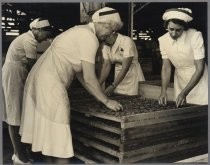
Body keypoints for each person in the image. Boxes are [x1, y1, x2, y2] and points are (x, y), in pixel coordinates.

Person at [19, 7, 123, 164]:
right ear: (105, 24)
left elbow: (80, 74)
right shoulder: (89, 38)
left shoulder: (79, 31)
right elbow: (88, 77)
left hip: (39, 81)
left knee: (49, 138)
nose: (108, 36)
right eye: (111, 31)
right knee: (61, 142)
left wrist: (96, 95)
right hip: (50, 86)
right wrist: (107, 101)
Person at [2, 18, 52, 164]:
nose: (45, 37)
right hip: (14, 75)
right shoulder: (29, 40)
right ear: (37, 30)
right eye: (45, 33)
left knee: (19, 115)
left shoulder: (29, 39)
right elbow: (33, 67)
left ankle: (18, 152)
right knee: (14, 117)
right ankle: (20, 157)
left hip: (18, 73)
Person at [158, 8, 208, 107]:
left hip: (199, 80)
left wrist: (184, 93)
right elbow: (166, 68)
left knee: (202, 109)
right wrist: (163, 91)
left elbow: (200, 69)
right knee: (183, 111)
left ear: (184, 28)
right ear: (166, 26)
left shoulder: (195, 36)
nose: (174, 33)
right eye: (171, 29)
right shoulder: (163, 40)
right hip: (180, 79)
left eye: (178, 30)